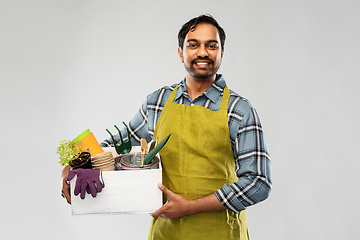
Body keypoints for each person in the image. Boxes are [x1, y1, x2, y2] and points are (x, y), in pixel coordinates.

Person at [61, 14, 272, 240]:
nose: (203, 52)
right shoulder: (157, 102)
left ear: (221, 53)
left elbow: (258, 182)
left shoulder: (239, 110)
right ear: (181, 52)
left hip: (221, 232)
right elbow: (117, 144)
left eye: (212, 46)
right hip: (166, 233)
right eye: (194, 45)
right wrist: (74, 163)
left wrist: (191, 207)